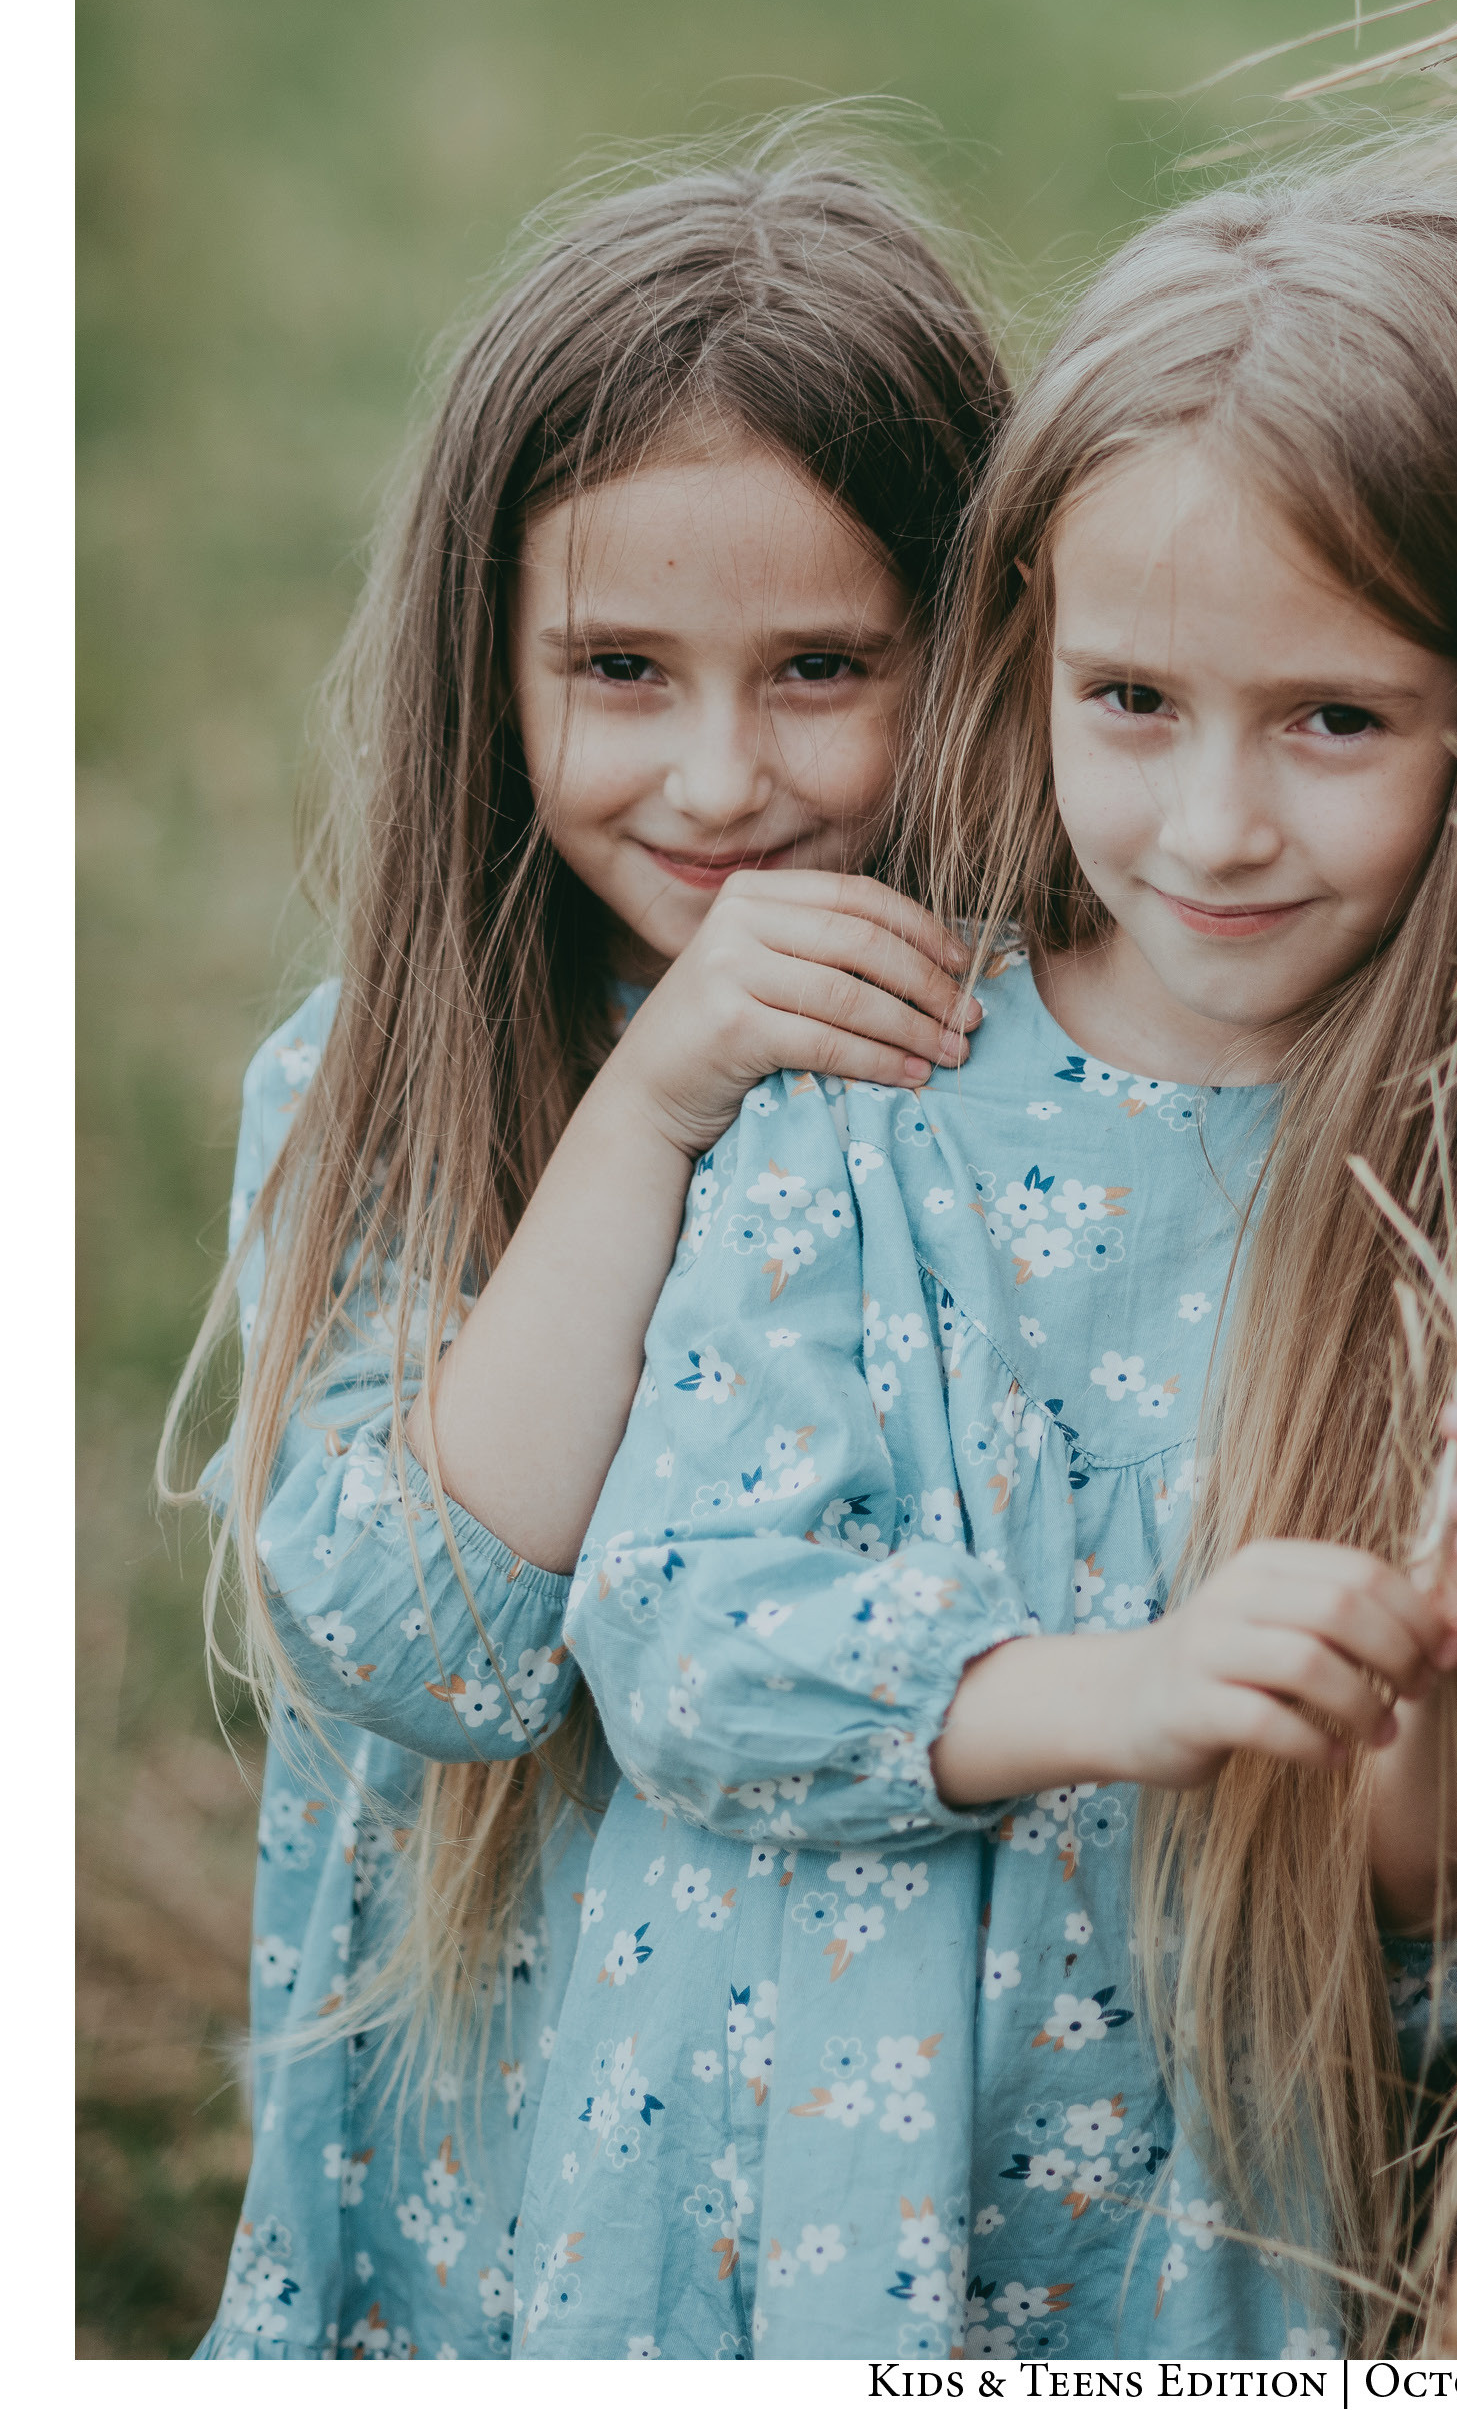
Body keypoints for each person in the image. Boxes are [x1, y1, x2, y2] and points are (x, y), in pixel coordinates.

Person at [485, 176, 1457, 2359]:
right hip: (788, 2198)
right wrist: (1124, 1687)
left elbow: (1433, 1917)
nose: (1213, 822)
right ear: (1027, 647)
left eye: (1335, 718)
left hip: (1179, 2232)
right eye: (1135, 699)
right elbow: (680, 1626)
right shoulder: (872, 1078)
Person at [159, 134, 1013, 2356]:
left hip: (895, 2134)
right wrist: (651, 1100)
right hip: (515, 2154)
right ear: (491, 666)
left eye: (820, 666)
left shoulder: (1027, 1078)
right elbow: (429, 1635)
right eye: (620, 668)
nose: (717, 779)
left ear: (978, 642)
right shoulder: (383, 1082)